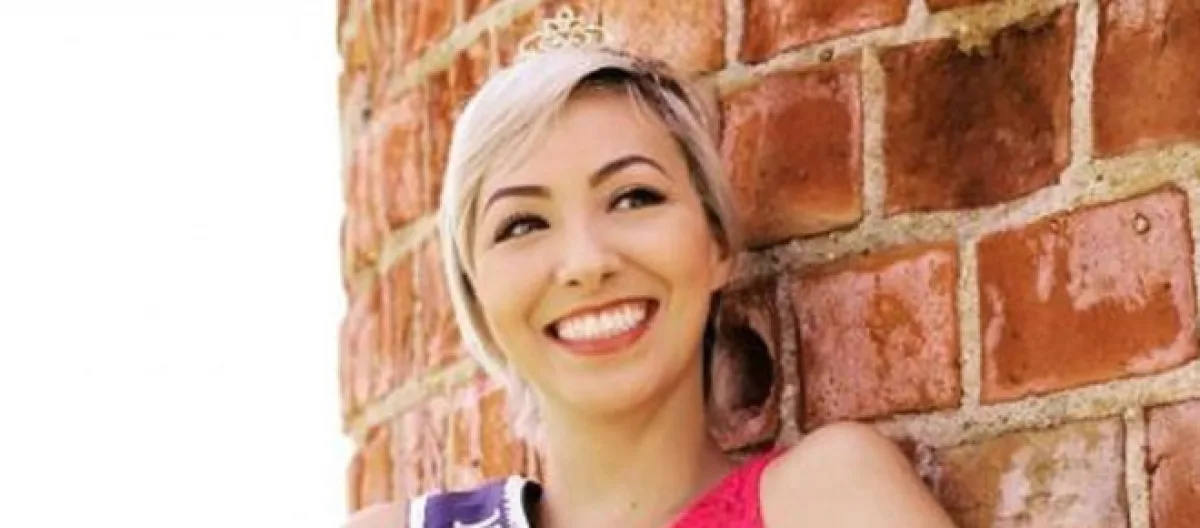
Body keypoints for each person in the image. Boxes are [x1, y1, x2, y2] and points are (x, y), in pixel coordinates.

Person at [347, 9, 956, 528]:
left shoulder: (826, 502)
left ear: (716, 243)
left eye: (633, 197)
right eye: (523, 225)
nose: (587, 263)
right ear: (477, 295)